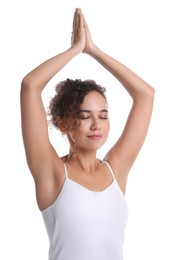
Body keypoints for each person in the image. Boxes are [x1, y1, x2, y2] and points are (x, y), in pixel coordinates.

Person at [20, 8, 155, 260]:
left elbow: (146, 95)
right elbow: (30, 86)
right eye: (85, 116)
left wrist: (93, 50)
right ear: (64, 123)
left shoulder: (116, 169)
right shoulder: (52, 172)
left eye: (103, 115)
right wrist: (75, 50)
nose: (97, 124)